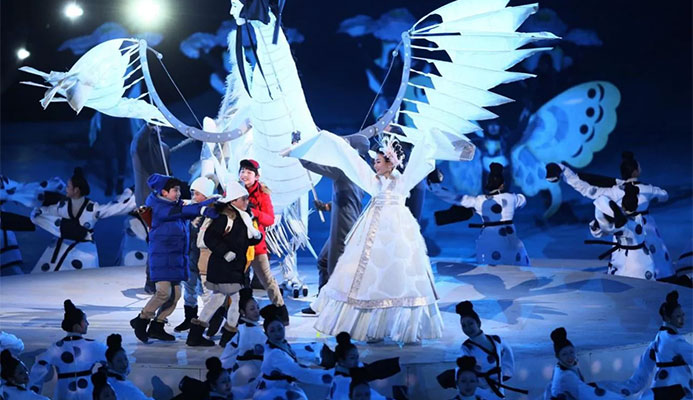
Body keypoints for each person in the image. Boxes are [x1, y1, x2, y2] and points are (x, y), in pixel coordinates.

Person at [286, 132, 444, 343]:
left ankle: (406, 329)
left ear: (390, 163)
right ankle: (370, 326)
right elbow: (345, 158)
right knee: (367, 276)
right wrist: (302, 149)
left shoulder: (401, 182)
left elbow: (421, 164)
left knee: (401, 275)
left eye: (378, 162)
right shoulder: (371, 179)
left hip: (396, 231)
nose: (375, 165)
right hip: (372, 230)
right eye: (374, 162)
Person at [547, 151, 674, 280]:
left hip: (626, 227)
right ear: (636, 171)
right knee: (652, 259)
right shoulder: (648, 189)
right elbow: (664, 196)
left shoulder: (614, 191)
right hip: (643, 228)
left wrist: (564, 171)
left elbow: (585, 188)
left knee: (627, 259)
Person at [130, 174, 218, 344]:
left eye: (178, 190)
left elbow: (187, 211)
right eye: (175, 190)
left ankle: (158, 325)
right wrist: (204, 206)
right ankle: (141, 320)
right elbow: (184, 211)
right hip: (162, 259)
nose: (178, 193)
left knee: (176, 294)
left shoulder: (175, 206)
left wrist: (208, 204)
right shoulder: (158, 207)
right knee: (164, 292)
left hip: (176, 259)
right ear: (163, 192)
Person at [187, 181, 263, 347]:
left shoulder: (243, 218)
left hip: (234, 266)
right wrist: (225, 252)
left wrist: (256, 238)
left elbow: (241, 241)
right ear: (234, 201)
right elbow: (210, 238)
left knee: (218, 300)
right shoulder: (224, 218)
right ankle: (228, 336)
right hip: (224, 266)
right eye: (243, 199)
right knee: (235, 300)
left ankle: (197, 334)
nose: (246, 202)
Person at [297, 135, 367, 314]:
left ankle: (334, 307)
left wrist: (298, 148)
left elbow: (311, 164)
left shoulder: (346, 168)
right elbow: (349, 197)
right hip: (348, 220)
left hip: (345, 224)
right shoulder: (358, 169)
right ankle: (323, 301)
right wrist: (327, 206)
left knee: (335, 266)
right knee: (324, 260)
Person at [30, 167, 136, 272]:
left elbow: (115, 208)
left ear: (76, 190)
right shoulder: (62, 206)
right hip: (61, 249)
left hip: (84, 254)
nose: (66, 189)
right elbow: (40, 214)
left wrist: (132, 193)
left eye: (68, 186)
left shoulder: (92, 209)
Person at [431, 163, 529, 266]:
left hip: (490, 240)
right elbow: (522, 200)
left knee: (491, 266)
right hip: (510, 239)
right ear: (502, 184)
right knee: (513, 263)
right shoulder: (512, 198)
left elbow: (456, 199)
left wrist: (436, 189)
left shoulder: (480, 201)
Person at [238, 159, 289, 325]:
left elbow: (269, 219)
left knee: (267, 279)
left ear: (256, 176)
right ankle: (244, 312)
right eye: (242, 171)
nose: (244, 175)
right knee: (241, 281)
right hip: (237, 245)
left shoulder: (262, 194)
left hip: (256, 245)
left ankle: (281, 311)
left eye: (249, 172)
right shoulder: (234, 191)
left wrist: (254, 213)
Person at [618, 290, 692, 399]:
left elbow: (642, 370)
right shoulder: (674, 341)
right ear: (668, 318)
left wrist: (629, 388)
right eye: (678, 316)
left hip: (662, 387)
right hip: (677, 389)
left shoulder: (658, 341)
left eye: (682, 315)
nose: (682, 319)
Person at [29, 300, 108, 400]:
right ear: (77, 326)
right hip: (88, 393)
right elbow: (112, 359)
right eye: (84, 320)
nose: (88, 323)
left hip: (63, 393)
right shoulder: (93, 345)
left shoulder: (56, 347)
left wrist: (33, 392)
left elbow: (39, 368)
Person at [253, 305, 333, 400]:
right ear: (266, 333)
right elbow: (300, 373)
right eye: (272, 331)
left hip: (276, 385)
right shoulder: (275, 354)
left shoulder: (278, 343)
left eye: (280, 328)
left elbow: (295, 353)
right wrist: (332, 375)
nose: (278, 334)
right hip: (272, 391)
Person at [175, 177, 217, 333]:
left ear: (206, 195)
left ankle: (209, 320)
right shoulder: (191, 209)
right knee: (189, 287)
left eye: (197, 193)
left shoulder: (212, 210)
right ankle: (189, 318)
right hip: (190, 255)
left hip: (205, 257)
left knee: (206, 290)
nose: (194, 196)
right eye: (192, 192)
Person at [587, 187, 656, 280]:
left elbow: (605, 229)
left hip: (632, 261)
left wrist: (600, 220)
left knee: (629, 281)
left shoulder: (626, 225)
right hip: (639, 257)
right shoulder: (637, 218)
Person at [456, 301, 520, 399]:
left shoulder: (496, 340)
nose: (468, 328)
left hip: (498, 388)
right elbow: (462, 370)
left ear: (478, 323)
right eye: (464, 326)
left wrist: (505, 373)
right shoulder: (466, 347)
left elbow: (507, 355)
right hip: (479, 390)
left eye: (470, 323)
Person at [546, 327, 623, 399]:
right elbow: (556, 389)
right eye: (564, 354)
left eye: (571, 352)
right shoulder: (564, 374)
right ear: (558, 356)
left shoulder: (569, 365)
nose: (569, 357)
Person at [324, 332, 399, 400]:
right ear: (341, 361)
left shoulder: (357, 369)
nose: (356, 361)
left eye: (357, 357)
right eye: (352, 358)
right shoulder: (343, 381)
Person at [220, 288, 265, 387]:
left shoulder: (245, 327)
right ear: (242, 311)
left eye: (257, 307)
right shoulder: (250, 331)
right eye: (252, 309)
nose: (257, 311)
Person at [104, 334, 153, 400]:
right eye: (119, 361)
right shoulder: (126, 388)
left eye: (125, 359)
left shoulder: (104, 381)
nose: (124, 364)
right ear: (110, 363)